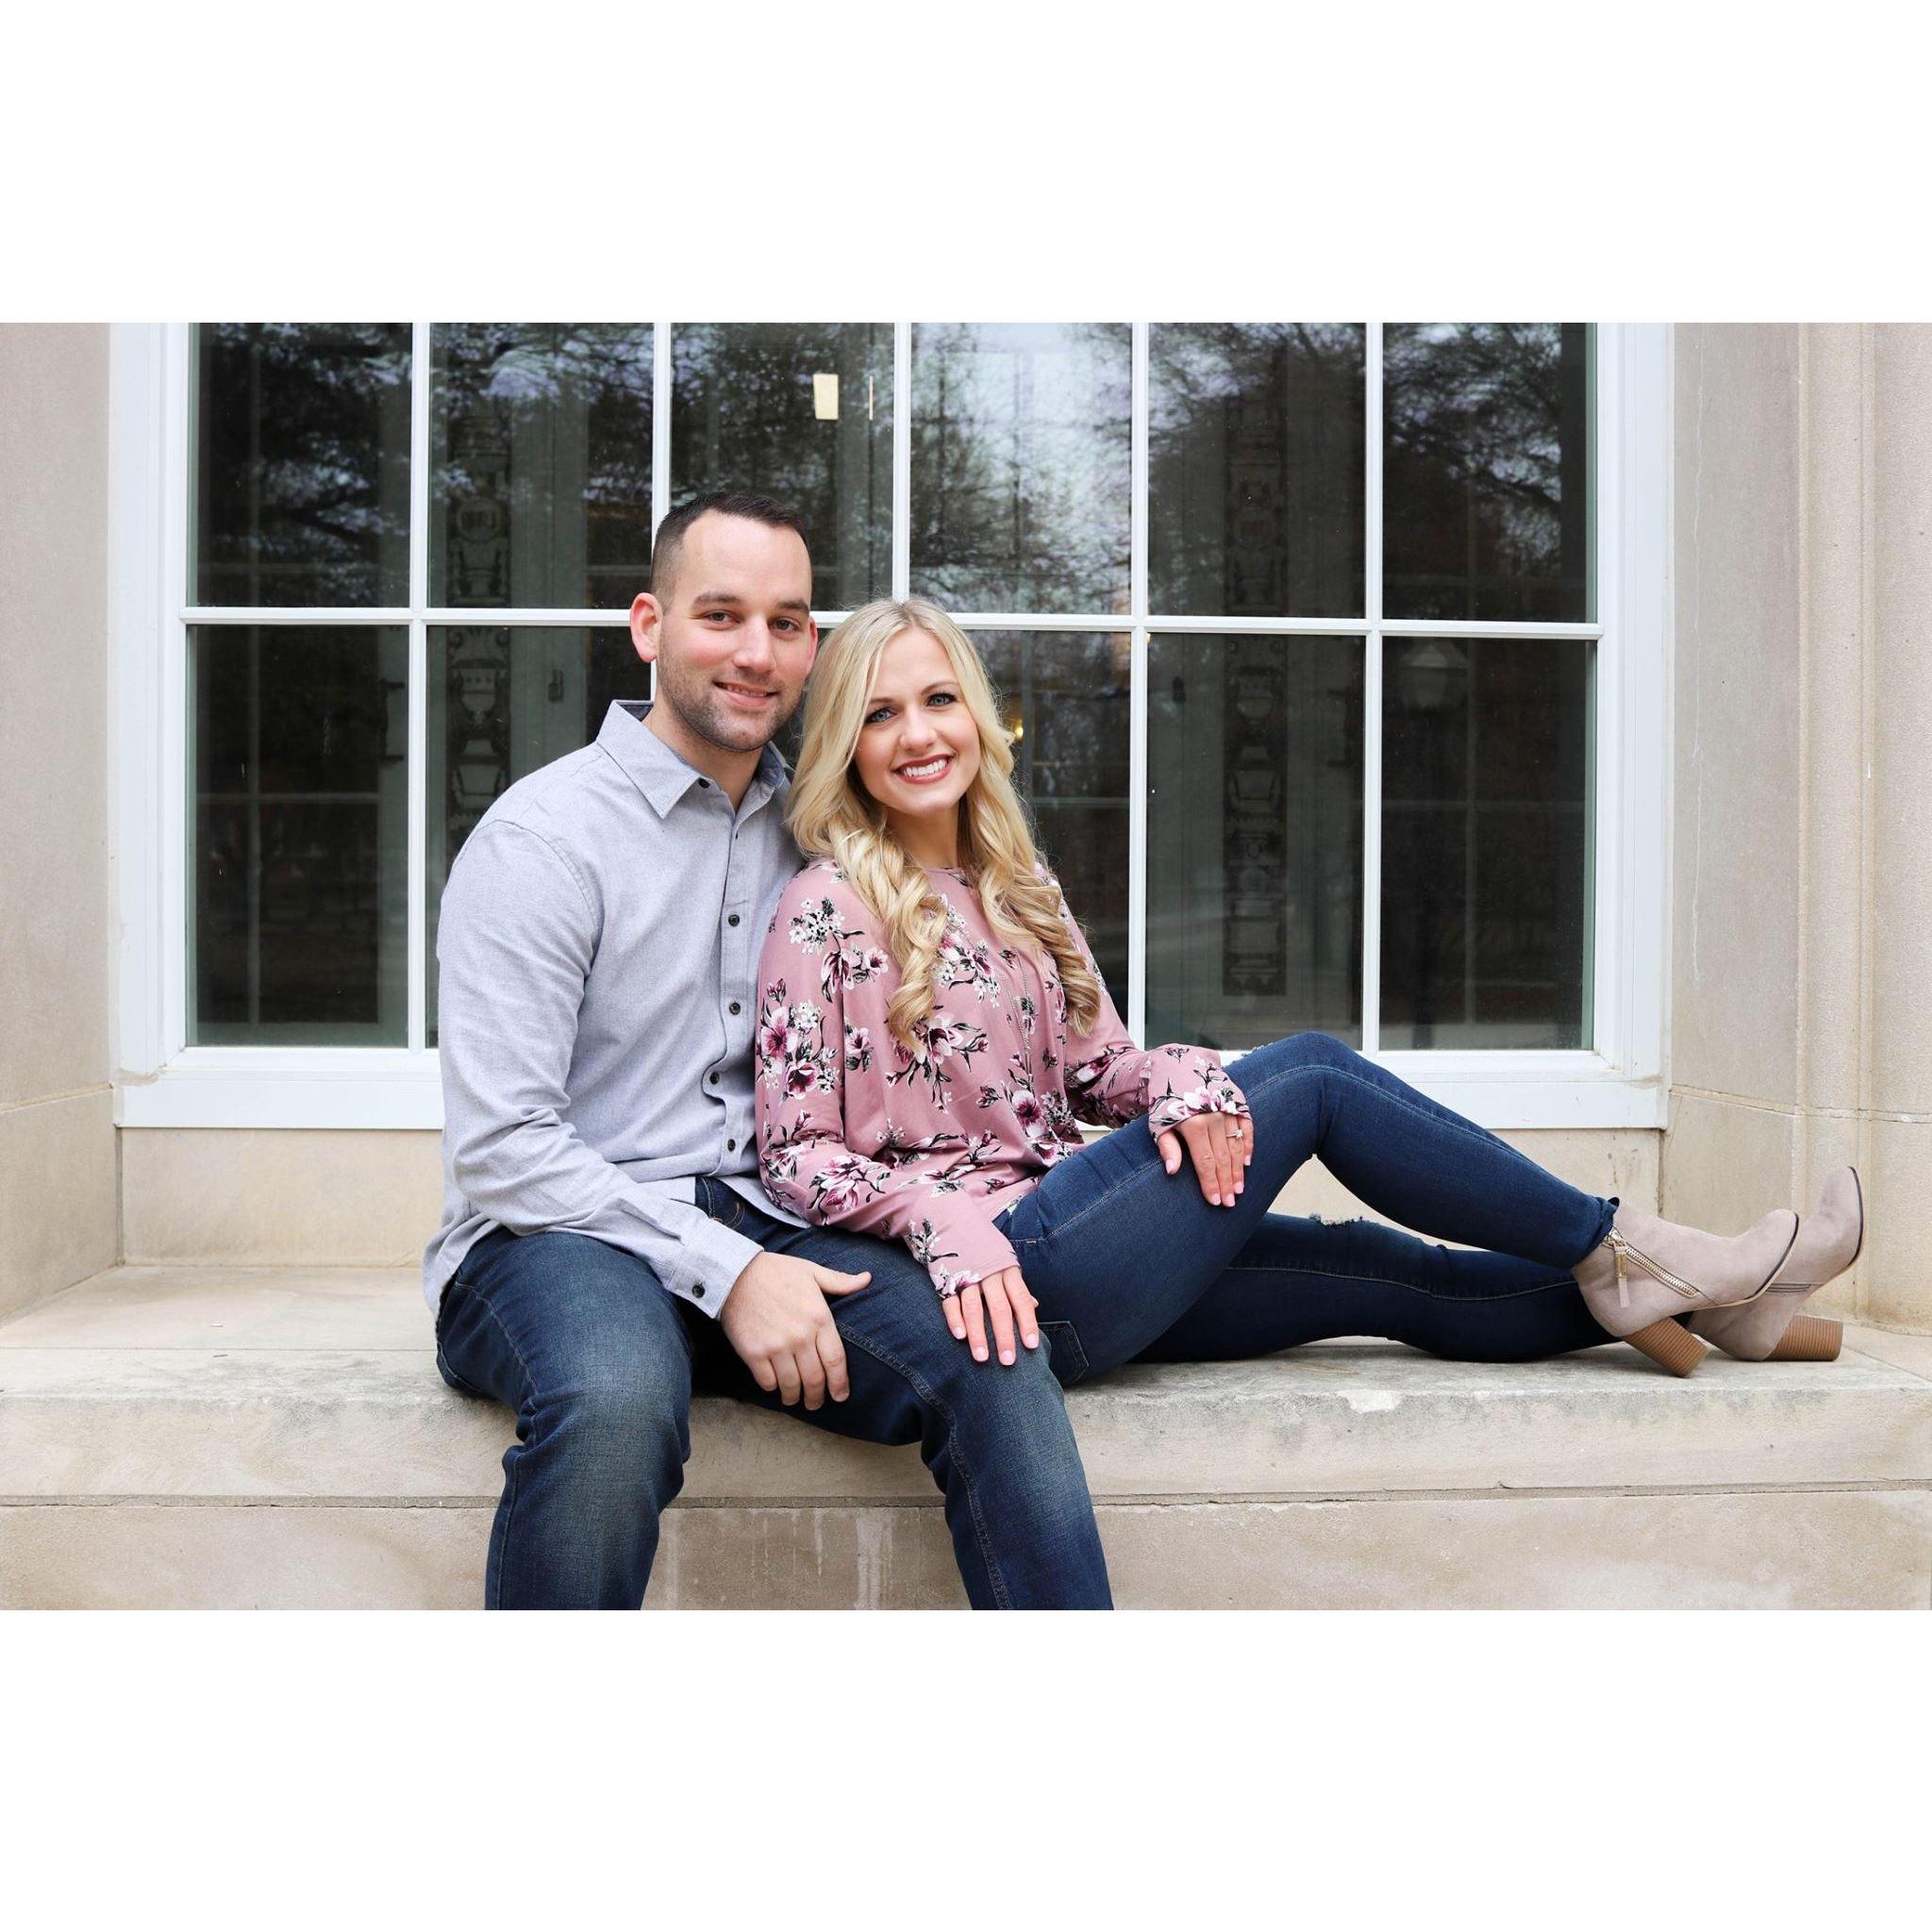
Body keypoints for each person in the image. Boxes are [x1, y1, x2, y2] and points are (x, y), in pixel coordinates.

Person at [755, 596, 1865, 1395]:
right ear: (844, 744)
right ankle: (1643, 1252)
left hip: (1094, 1249)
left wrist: (1183, 1077)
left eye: (938, 698)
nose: (917, 734)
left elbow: (1102, 1074)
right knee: (1317, 1076)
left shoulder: (1015, 884)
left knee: (1381, 1273)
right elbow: (792, 1150)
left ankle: (1719, 1307)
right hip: (1001, 1270)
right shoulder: (823, 906)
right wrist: (936, 1215)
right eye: (879, 712)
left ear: (977, 716)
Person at [425, 498, 1111, 1610]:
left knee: (988, 1352)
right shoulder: (541, 840)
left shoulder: (824, 826)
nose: (757, 652)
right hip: (560, 1233)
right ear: (648, 625)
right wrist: (726, 1267)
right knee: (612, 1399)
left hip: (779, 1213)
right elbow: (504, 1148)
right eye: (721, 615)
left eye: (787, 622)